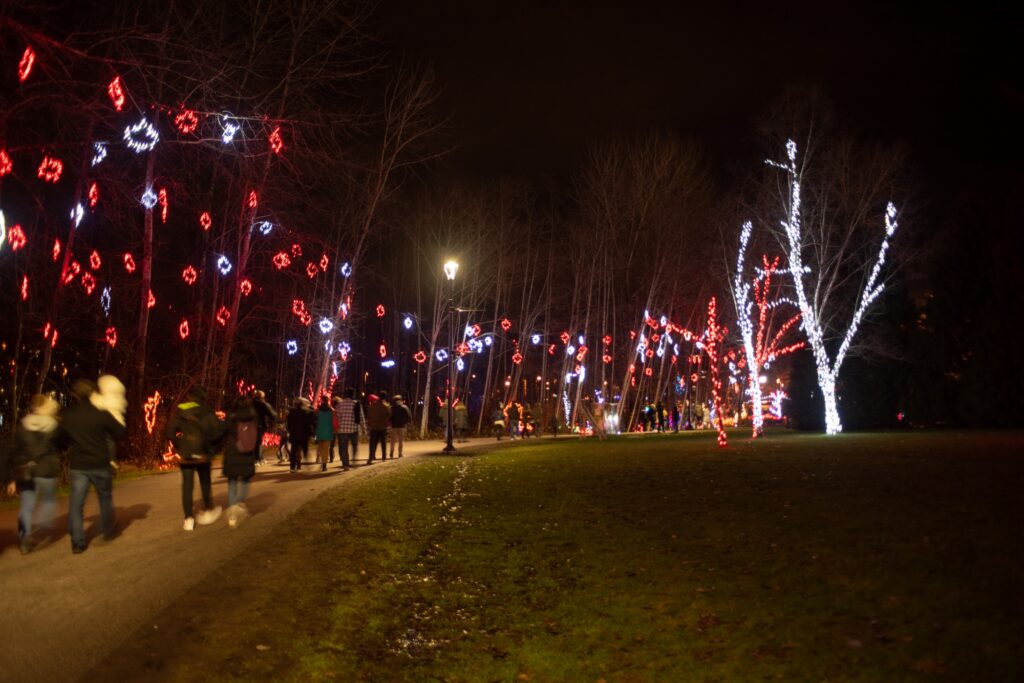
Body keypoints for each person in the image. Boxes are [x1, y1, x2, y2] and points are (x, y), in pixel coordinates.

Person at [58, 379, 126, 553]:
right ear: (93, 394)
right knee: (104, 499)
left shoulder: (70, 416)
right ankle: (108, 531)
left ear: (75, 396)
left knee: (76, 503)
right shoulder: (100, 413)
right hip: (100, 463)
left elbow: (60, 440)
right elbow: (119, 432)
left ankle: (77, 543)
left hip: (79, 465)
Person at [5, 395, 61, 554]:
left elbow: (14, 452)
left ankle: (25, 537)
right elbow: (61, 445)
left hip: (26, 472)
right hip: (47, 471)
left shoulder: (23, 426)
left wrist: (11, 477)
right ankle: (42, 521)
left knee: (26, 506)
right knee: (49, 500)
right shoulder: (54, 426)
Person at [167, 386, 226, 531]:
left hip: (186, 455)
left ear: (190, 397)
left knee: (187, 487)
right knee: (205, 483)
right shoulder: (207, 411)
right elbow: (218, 432)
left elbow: (169, 432)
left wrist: (180, 445)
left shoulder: (181, 411)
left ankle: (188, 519)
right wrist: (212, 449)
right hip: (203, 454)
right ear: (203, 398)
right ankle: (207, 510)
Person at [223, 396, 259, 528]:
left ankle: (232, 515)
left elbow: (224, 431)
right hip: (247, 454)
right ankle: (240, 504)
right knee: (244, 481)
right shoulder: (253, 417)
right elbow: (257, 435)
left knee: (232, 484)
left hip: (232, 452)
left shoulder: (231, 417)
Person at [333, 389, 362, 470]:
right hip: (354, 429)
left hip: (342, 430)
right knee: (354, 446)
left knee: (343, 447)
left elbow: (337, 417)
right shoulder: (356, 404)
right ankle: (353, 461)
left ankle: (346, 465)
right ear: (353, 394)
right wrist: (363, 429)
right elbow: (361, 417)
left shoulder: (340, 404)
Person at [286, 397, 314, 472]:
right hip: (304, 435)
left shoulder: (291, 412)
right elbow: (309, 424)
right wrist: (311, 434)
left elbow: (288, 424)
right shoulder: (306, 412)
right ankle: (307, 466)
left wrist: (290, 431)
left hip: (294, 435)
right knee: (305, 451)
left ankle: (292, 467)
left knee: (293, 452)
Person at [252, 390, 276, 467]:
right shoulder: (264, 404)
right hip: (259, 425)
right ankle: (257, 459)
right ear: (262, 396)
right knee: (258, 442)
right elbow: (272, 414)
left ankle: (260, 458)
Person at [366, 391, 391, 462]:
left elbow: (369, 415)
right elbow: (389, 415)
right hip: (383, 427)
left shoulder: (373, 405)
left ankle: (371, 457)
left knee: (373, 443)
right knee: (383, 442)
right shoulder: (386, 406)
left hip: (374, 427)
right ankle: (384, 457)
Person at [315, 396, 335, 472]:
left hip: (320, 431)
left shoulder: (318, 410)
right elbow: (333, 421)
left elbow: (315, 420)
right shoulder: (331, 410)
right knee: (326, 449)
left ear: (322, 401)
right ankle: (324, 466)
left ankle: (319, 458)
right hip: (328, 431)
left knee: (320, 447)